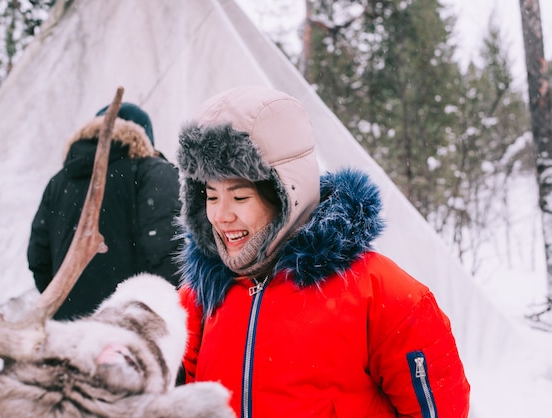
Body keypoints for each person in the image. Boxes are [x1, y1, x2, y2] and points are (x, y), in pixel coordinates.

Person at [174, 85, 470, 417]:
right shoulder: (200, 299)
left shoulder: (383, 297)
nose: (220, 215)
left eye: (240, 197)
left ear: (287, 192)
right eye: (211, 196)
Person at [27, 102, 182, 320]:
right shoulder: (151, 172)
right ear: (146, 139)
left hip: (67, 332)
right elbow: (171, 252)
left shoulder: (59, 182)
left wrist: (66, 303)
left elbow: (38, 259)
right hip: (127, 332)